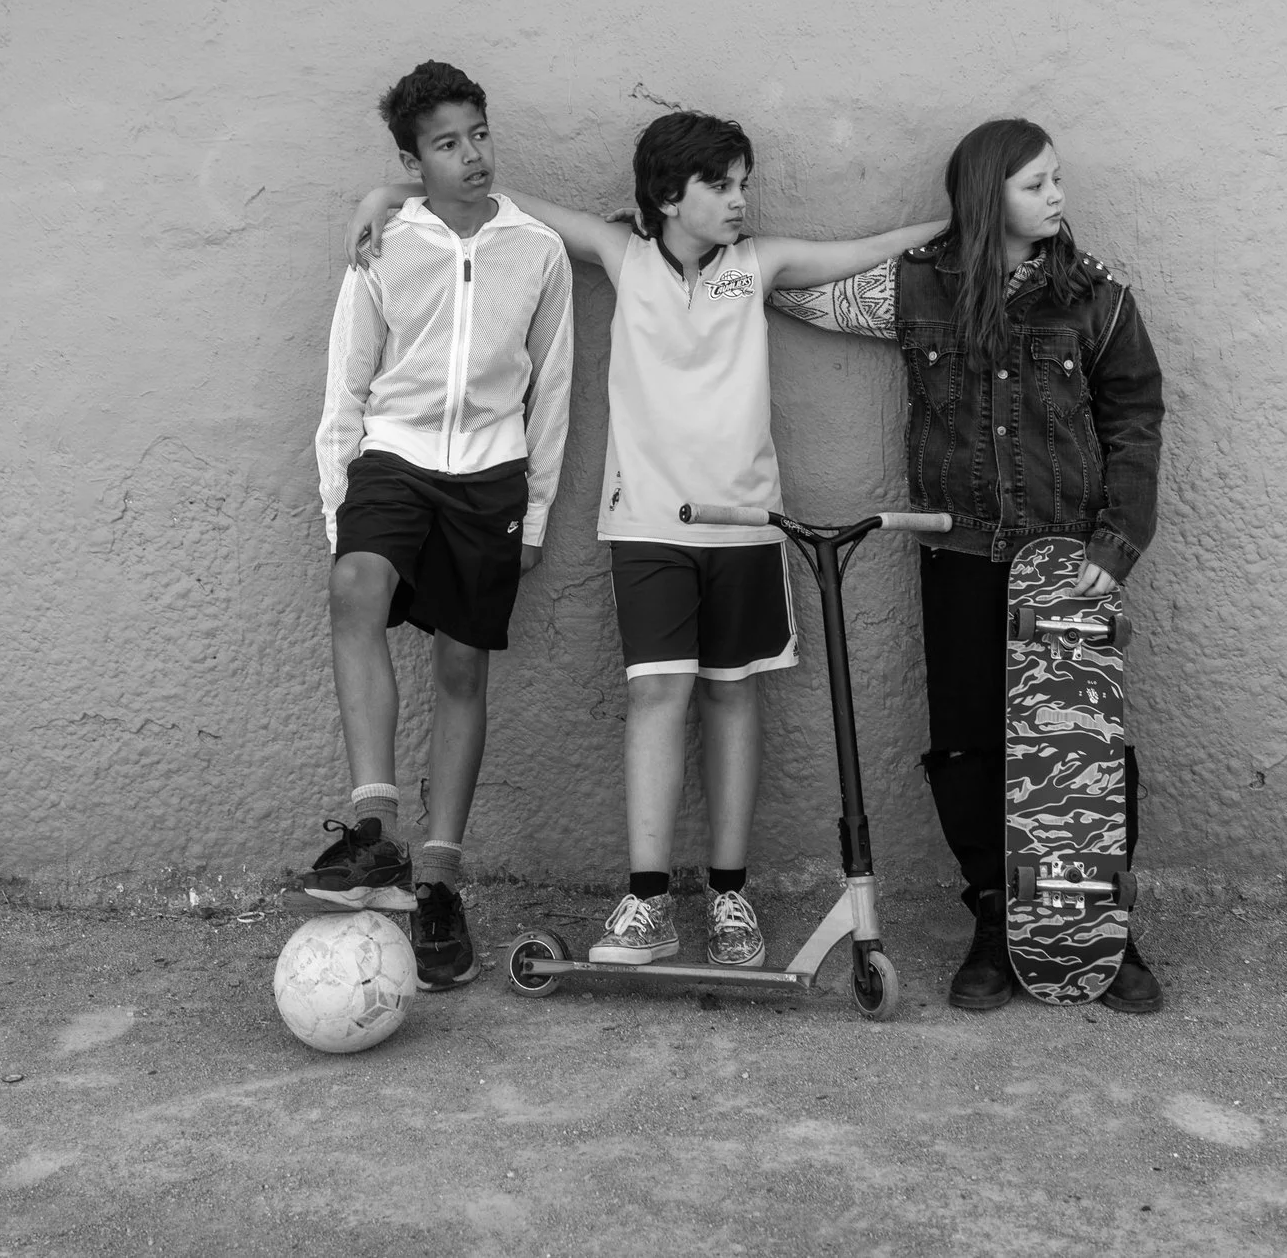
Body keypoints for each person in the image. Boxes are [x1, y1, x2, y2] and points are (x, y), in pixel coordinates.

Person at [349, 109, 941, 970]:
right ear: (669, 195)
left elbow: (873, 247)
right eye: (723, 185)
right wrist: (386, 191)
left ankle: (731, 896)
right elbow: (499, 197)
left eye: (746, 185)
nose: (741, 200)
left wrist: (964, 220)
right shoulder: (622, 256)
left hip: (748, 527)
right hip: (647, 528)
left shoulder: (760, 264)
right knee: (659, 697)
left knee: (734, 696)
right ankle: (649, 902)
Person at [770, 117, 1166, 1013]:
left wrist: (1116, 545)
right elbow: (783, 287)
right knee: (969, 743)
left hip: (1067, 562)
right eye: (1035, 184)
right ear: (989, 196)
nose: (1058, 196)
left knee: (1082, 750)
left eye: (1057, 179)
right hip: (958, 552)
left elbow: (1137, 420)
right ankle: (995, 916)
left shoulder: (1097, 298)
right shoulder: (916, 289)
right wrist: (923, 237)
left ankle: (1100, 926)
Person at [293, 60, 575, 994]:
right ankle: (373, 830)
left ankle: (441, 882)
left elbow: (554, 387)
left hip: (489, 475)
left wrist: (533, 508)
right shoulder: (386, 244)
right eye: (447, 144)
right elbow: (347, 381)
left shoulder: (536, 249)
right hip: (395, 457)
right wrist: (343, 503)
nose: (472, 156)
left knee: (463, 665)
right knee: (353, 588)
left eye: (479, 135)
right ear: (411, 158)